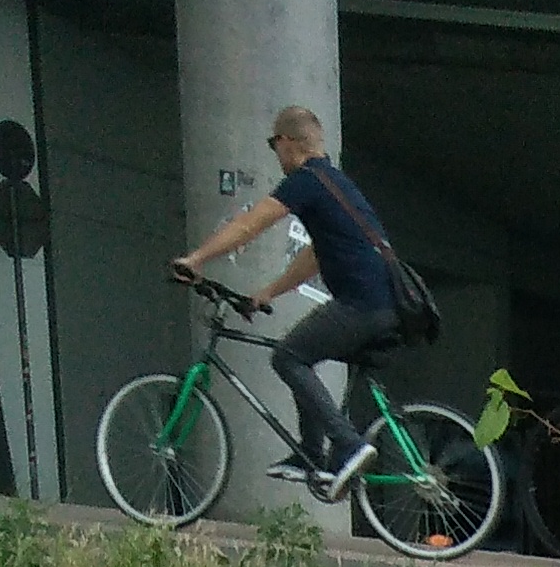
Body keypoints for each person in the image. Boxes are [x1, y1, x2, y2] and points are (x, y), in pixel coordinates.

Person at [175, 107, 410, 499]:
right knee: (303, 353)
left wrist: (195, 259)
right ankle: (313, 455)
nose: (274, 153)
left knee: (288, 357)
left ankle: (348, 444)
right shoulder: (334, 183)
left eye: (273, 144)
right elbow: (315, 256)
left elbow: (250, 223)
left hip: (363, 304)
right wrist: (267, 293)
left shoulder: (306, 181)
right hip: (385, 305)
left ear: (286, 142)